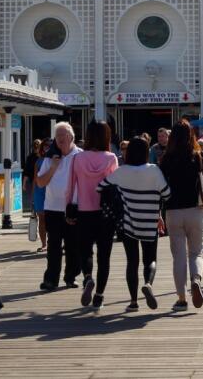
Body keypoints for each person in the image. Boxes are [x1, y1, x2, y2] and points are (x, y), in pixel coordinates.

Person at [98, 137, 170, 311]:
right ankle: (148, 284)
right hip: (150, 222)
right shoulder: (154, 170)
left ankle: (133, 302)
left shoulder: (122, 171)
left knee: (132, 262)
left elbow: (100, 187)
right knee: (150, 259)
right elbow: (167, 193)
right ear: (147, 152)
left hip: (129, 223)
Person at [159, 121, 203, 312]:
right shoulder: (200, 157)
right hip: (196, 210)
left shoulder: (166, 159)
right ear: (191, 136)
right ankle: (196, 280)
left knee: (178, 256)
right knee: (196, 252)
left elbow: (160, 188)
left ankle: (182, 299)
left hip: (173, 211)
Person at [67, 119, 119, 309]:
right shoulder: (111, 158)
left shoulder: (78, 159)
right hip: (106, 213)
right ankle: (99, 296)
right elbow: (116, 185)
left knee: (85, 250)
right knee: (104, 256)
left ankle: (88, 277)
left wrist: (68, 208)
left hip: (84, 211)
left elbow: (70, 186)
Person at [37, 124, 80, 291]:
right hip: (52, 207)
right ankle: (51, 280)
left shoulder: (80, 156)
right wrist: (54, 167)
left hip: (73, 208)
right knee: (53, 245)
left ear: (71, 137)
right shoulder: (49, 157)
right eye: (57, 136)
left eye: (63, 135)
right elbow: (40, 182)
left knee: (73, 246)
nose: (60, 139)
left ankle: (71, 277)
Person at [30, 138, 49, 251]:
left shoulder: (55, 160)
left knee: (52, 219)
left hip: (52, 192)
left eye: (50, 145)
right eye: (45, 145)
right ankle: (44, 244)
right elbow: (35, 179)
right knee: (42, 218)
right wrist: (32, 196)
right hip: (40, 192)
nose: (47, 147)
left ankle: (52, 242)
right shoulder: (38, 161)